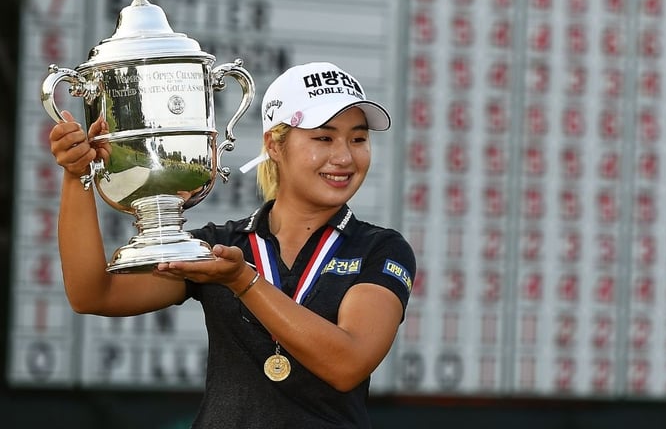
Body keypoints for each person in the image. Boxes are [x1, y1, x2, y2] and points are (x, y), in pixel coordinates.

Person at [49, 61, 415, 428]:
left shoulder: (380, 249)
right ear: (274, 144)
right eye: (324, 137)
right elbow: (94, 294)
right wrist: (76, 177)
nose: (345, 157)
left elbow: (346, 364)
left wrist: (245, 282)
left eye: (358, 138)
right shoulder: (220, 244)